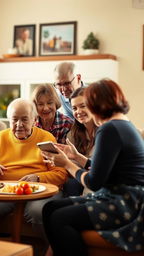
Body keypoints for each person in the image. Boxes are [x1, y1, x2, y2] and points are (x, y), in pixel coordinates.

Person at [41, 79, 144, 256]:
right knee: (50, 208)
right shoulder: (124, 125)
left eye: (87, 105)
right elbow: (105, 170)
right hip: (128, 197)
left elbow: (94, 182)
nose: (84, 111)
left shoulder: (109, 128)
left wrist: (67, 164)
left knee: (59, 218)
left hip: (125, 202)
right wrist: (76, 157)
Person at [0, 98, 68, 237]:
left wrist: (38, 177)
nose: (19, 125)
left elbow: (61, 173)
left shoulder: (46, 139)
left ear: (34, 119)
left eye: (24, 119)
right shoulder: (0, 138)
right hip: (6, 191)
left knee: (37, 212)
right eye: (14, 120)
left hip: (38, 192)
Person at [63, 87, 97, 196]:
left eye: (83, 106)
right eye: (74, 108)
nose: (78, 112)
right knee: (71, 183)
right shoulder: (73, 134)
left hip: (98, 179)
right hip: (79, 176)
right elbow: (71, 163)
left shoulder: (106, 131)